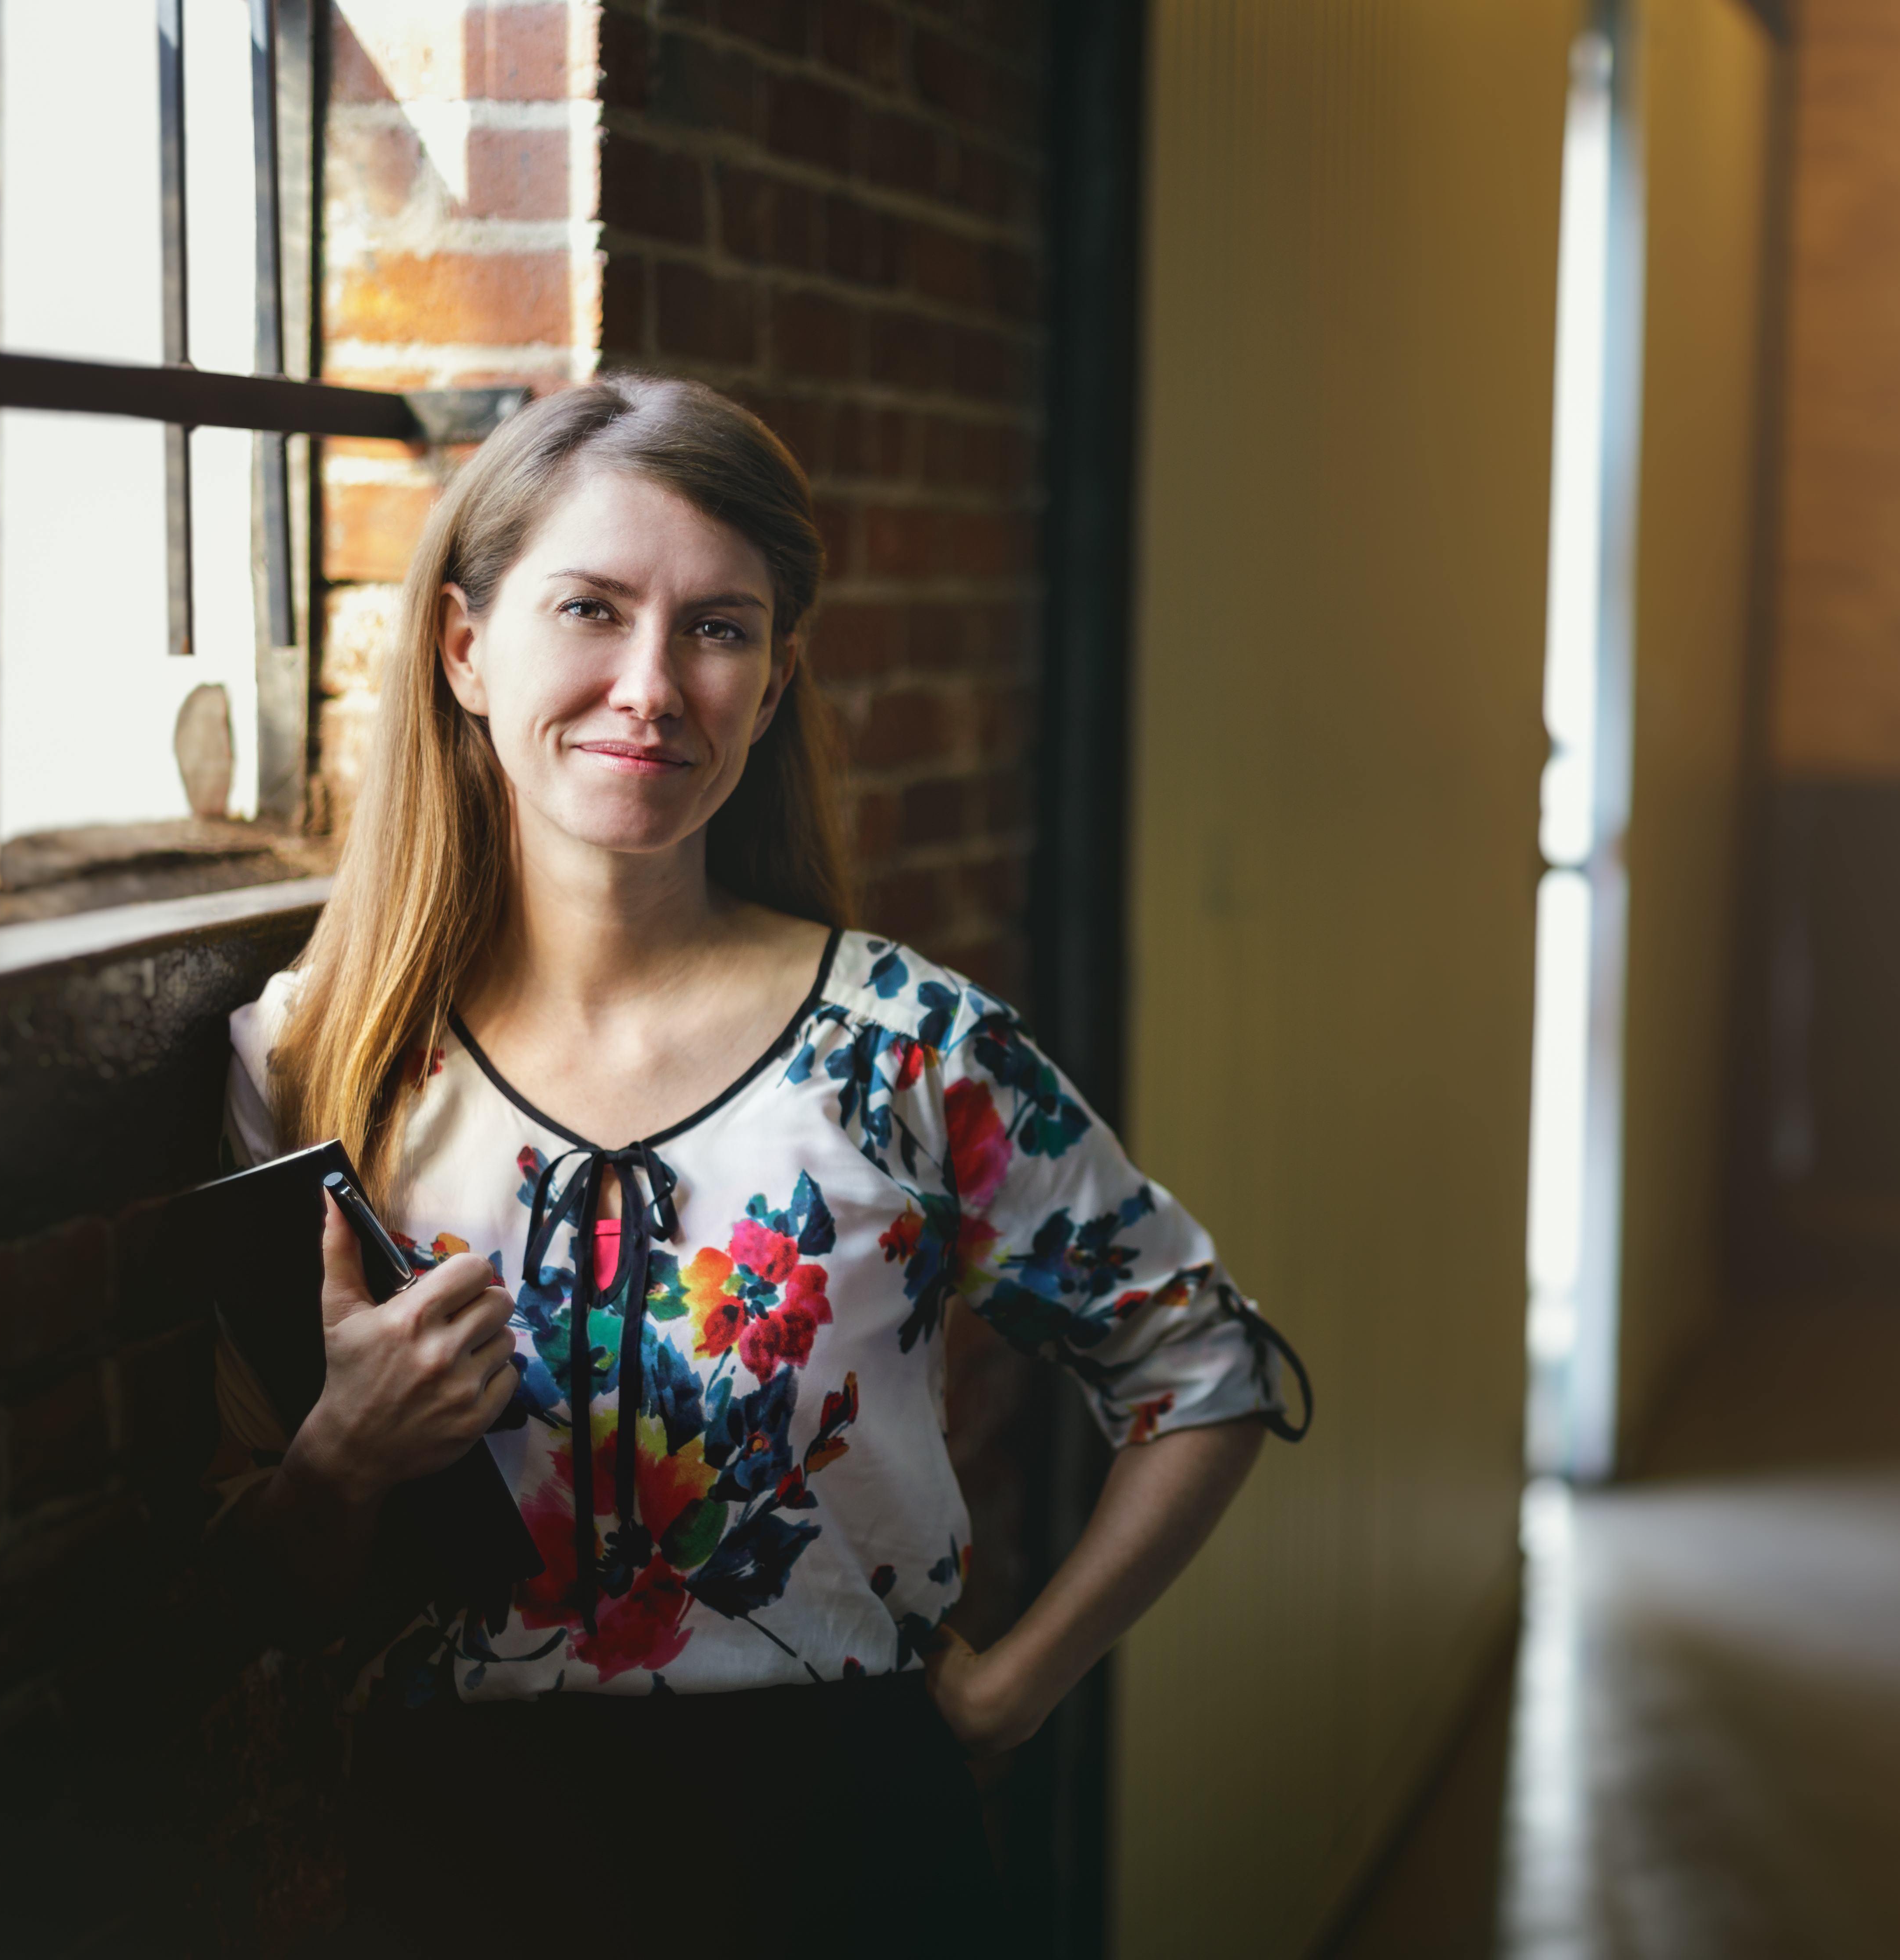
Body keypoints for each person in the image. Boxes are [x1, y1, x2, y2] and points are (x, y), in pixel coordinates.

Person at [207, 373, 1304, 1950]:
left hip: (844, 1854)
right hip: (457, 1862)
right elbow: (255, 1595)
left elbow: (1203, 1366)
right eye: (591, 609)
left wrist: (1008, 1695)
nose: (651, 685)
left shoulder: (908, 1051)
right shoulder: (321, 1067)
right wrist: (341, 1457)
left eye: (718, 629)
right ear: (463, 646)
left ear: (775, 682)